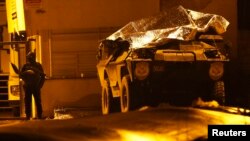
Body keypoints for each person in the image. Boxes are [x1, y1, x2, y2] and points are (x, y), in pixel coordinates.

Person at [20, 52, 45, 120]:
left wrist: (40, 85)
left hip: (36, 86)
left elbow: (43, 76)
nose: (29, 58)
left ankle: (39, 115)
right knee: (27, 101)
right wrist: (25, 82)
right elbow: (21, 75)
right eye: (28, 57)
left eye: (31, 57)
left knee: (38, 101)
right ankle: (28, 115)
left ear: (33, 57)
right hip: (28, 86)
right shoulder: (25, 66)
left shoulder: (38, 65)